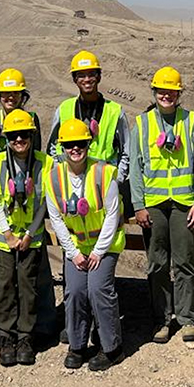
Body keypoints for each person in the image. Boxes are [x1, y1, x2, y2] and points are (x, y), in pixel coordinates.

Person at [45, 50, 131, 345]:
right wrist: (64, 179)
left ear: (98, 77)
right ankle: (78, 331)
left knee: (98, 281)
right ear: (74, 79)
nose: (86, 79)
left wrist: (111, 180)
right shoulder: (64, 109)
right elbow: (52, 149)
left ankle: (101, 332)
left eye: (91, 74)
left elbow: (126, 152)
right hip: (71, 190)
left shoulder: (115, 111)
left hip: (102, 191)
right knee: (74, 280)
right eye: (81, 75)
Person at [0, 69, 56, 343]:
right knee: (3, 270)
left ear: (23, 95)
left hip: (31, 209)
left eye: (15, 93)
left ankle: (35, 327)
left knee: (34, 272)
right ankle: (4, 329)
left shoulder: (31, 121)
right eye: (5, 94)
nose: (10, 98)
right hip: (0, 209)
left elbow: (38, 157)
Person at [129, 66, 194, 344]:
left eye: (171, 91)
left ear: (179, 93)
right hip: (154, 204)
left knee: (185, 262)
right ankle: (161, 319)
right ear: (154, 92)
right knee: (157, 264)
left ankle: (188, 319)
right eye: (161, 91)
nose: (166, 95)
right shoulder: (142, 124)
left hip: (184, 203)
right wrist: (139, 204)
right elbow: (136, 169)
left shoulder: (191, 121)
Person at [45, 119, 127, 371]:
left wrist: (99, 252)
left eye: (79, 143)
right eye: (69, 145)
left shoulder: (104, 173)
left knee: (98, 289)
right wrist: (73, 252)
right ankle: (77, 344)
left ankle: (111, 347)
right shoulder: (54, 178)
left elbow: (112, 216)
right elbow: (56, 219)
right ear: (62, 147)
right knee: (76, 291)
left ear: (88, 144)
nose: (75, 149)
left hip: (105, 245)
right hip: (77, 248)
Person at [0, 109, 49, 366]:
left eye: (24, 135)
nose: (19, 140)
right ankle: (5, 336)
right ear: (6, 138)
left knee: (27, 285)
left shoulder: (44, 163)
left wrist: (28, 234)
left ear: (32, 136)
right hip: (5, 238)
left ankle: (25, 336)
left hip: (30, 238)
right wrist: (9, 234)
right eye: (13, 136)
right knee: (4, 285)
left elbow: (44, 203)